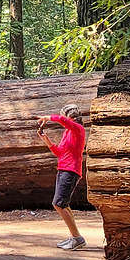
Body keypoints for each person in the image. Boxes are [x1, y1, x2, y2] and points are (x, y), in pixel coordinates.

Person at [37, 103, 87, 251]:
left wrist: (49, 117)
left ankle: (77, 238)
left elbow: (63, 121)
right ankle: (75, 237)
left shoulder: (78, 129)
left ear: (69, 117)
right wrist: (46, 140)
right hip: (63, 169)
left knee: (58, 203)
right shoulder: (68, 132)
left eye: (63, 116)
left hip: (71, 171)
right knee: (62, 204)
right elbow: (60, 153)